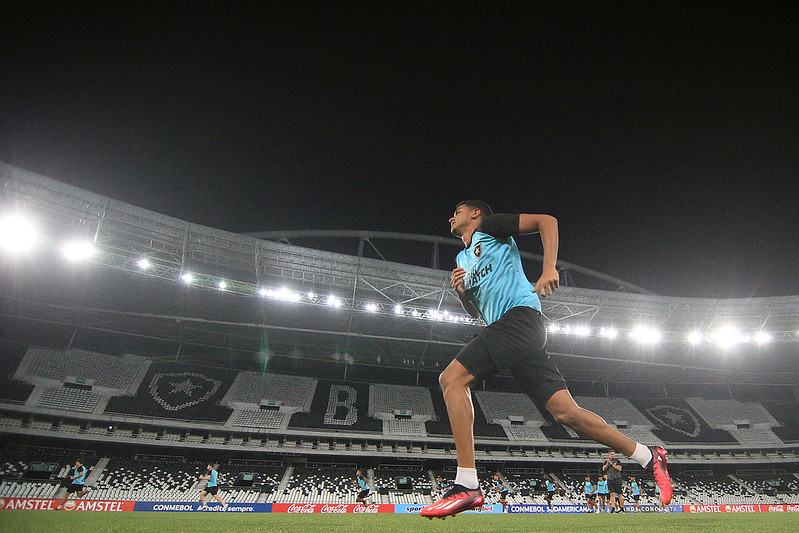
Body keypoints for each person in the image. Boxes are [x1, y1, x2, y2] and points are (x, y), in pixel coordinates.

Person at [419, 201, 672, 519]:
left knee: (451, 379)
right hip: (512, 332)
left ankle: (467, 483)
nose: (450, 216)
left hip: (520, 319)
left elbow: (546, 220)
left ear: (475, 214)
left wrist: (549, 267)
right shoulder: (461, 259)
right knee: (567, 413)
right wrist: (462, 294)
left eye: (457, 210)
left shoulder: (490, 227)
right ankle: (649, 455)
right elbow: (479, 313)